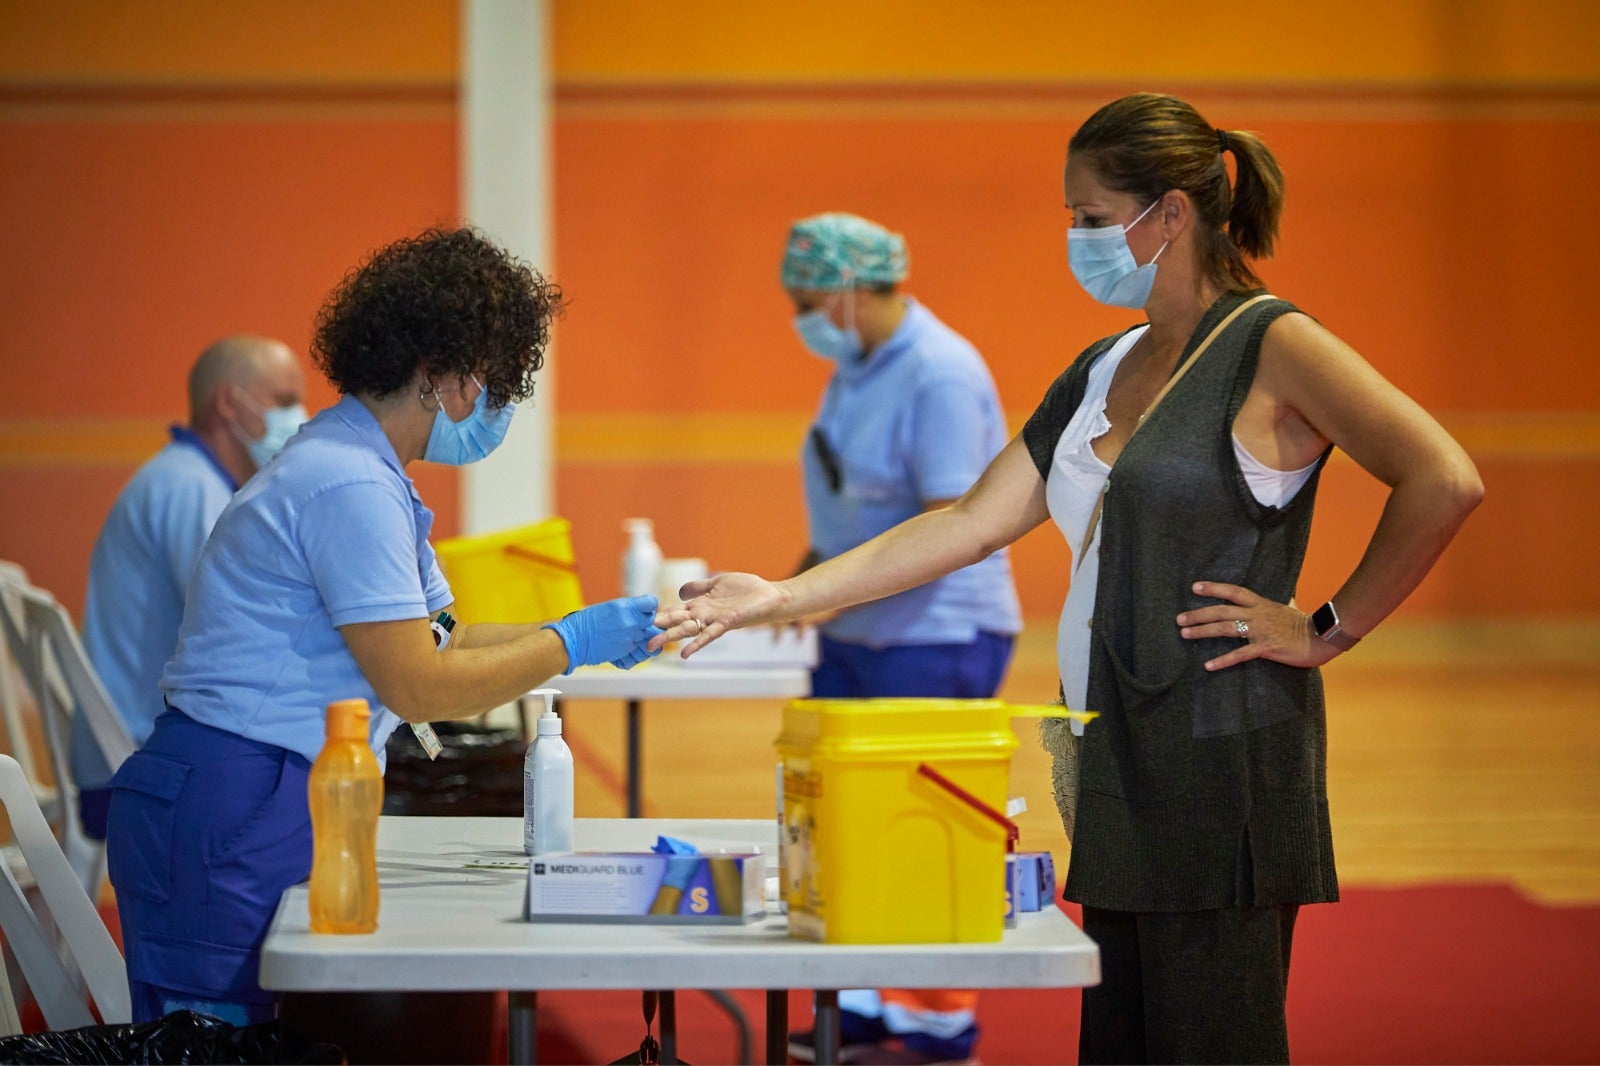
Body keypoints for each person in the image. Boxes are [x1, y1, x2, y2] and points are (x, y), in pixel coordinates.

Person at [653, 93, 1483, 1064]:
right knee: (1120, 1038)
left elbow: (1444, 478)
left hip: (1220, 761)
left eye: (1089, 218)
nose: (1075, 238)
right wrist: (784, 595)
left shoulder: (1274, 344)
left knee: (1214, 1039)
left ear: (1168, 214)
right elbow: (969, 521)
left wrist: (1328, 626)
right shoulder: (1105, 362)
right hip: (1108, 751)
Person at [105, 227, 663, 1025]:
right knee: (216, 1041)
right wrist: (573, 644)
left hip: (256, 788)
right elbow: (418, 685)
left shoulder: (366, 472)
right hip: (230, 800)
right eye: (489, 381)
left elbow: (445, 639)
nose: (493, 405)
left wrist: (585, 630)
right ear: (438, 374)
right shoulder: (346, 485)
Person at [778, 213, 1021, 1066]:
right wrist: (788, 593)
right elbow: (852, 502)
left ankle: (937, 1026)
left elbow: (952, 525)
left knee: (917, 833)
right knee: (840, 826)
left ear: (852, 289)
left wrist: (821, 598)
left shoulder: (940, 373)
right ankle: (867, 1007)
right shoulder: (857, 365)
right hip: (857, 627)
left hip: (935, 635)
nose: (800, 317)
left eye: (809, 301)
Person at [71, 335, 307, 840]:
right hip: (137, 767)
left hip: (128, 751)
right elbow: (245, 631)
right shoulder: (190, 489)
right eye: (285, 401)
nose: (301, 416)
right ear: (228, 402)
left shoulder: (186, 478)